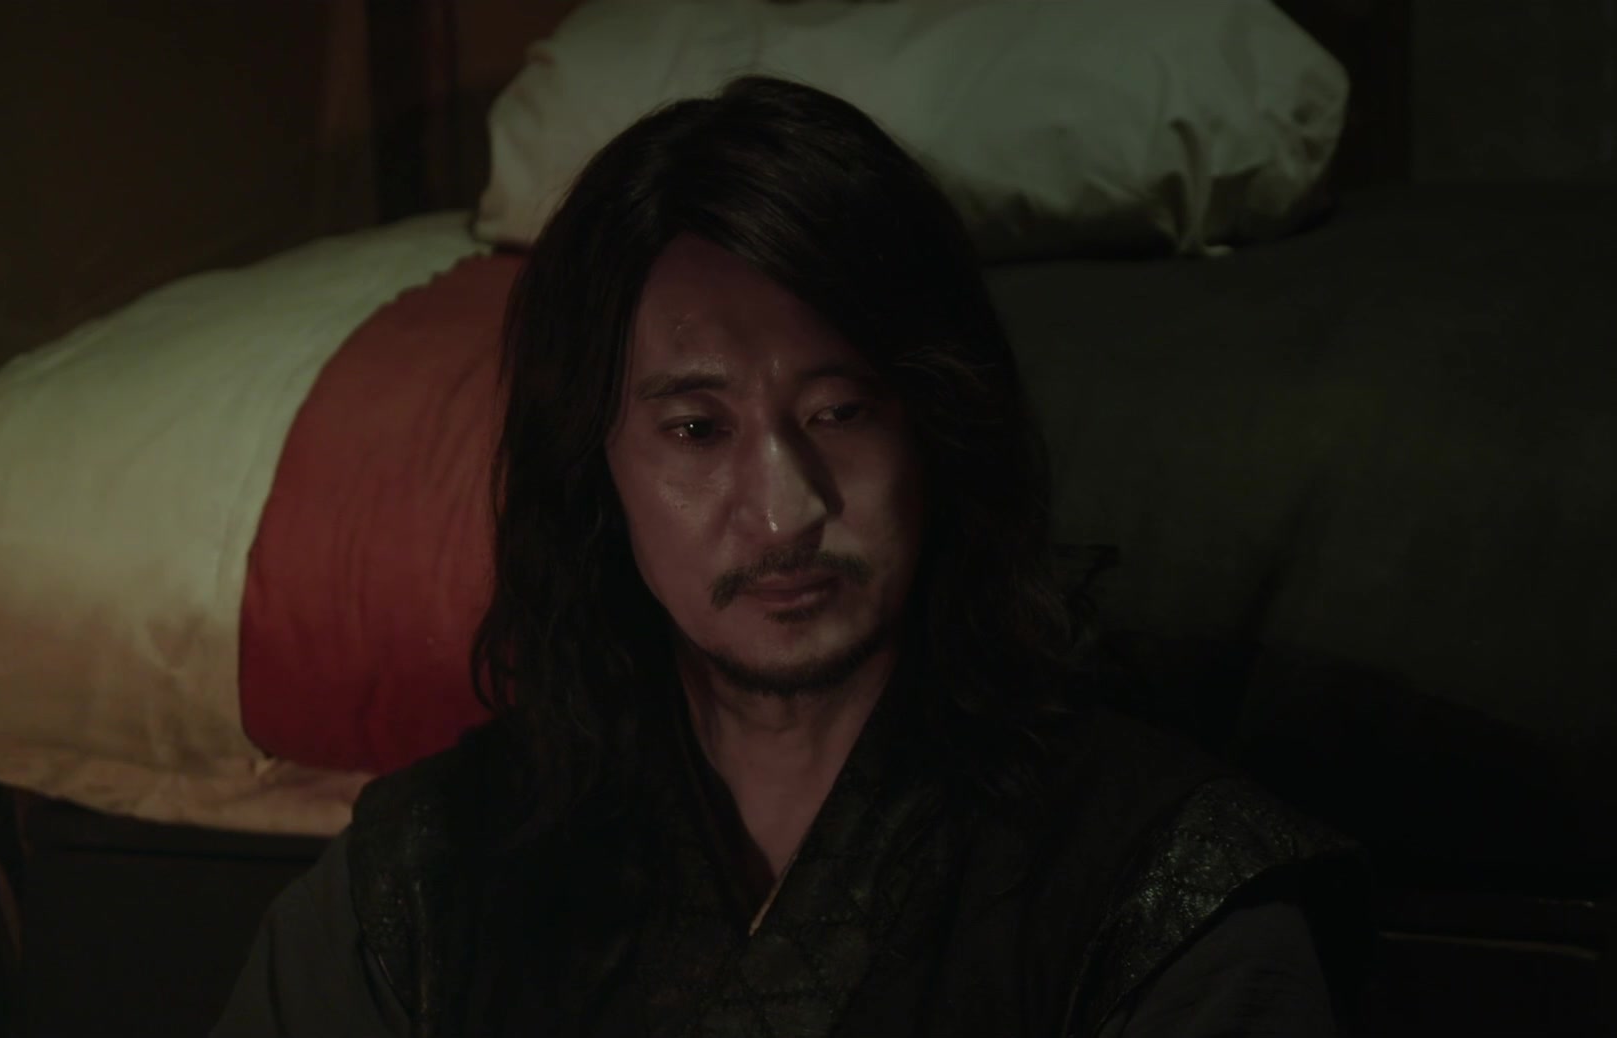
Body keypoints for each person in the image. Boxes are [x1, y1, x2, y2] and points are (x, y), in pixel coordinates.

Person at [214, 75, 1365, 1038]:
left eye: (839, 412)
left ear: (934, 428)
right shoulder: (426, 881)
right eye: (696, 429)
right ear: (597, 466)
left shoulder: (1152, 886)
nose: (784, 510)